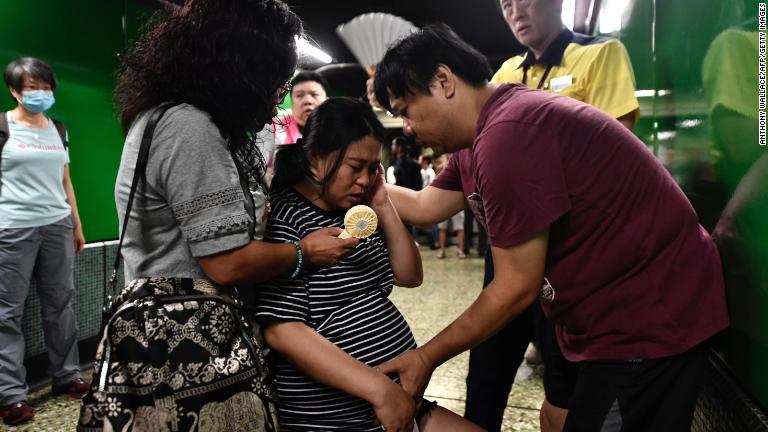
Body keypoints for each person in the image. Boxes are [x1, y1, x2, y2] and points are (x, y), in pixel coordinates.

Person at [372, 24, 728, 432]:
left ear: (443, 81)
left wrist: (426, 356)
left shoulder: (510, 136)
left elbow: (514, 287)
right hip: (602, 318)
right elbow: (425, 204)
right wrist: (365, 186)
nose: (408, 128)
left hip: (649, 317)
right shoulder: (478, 138)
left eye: (404, 110)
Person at [77, 1, 357, 430]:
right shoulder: (188, 127)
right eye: (271, 85)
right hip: (179, 345)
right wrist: (302, 253)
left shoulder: (174, 118)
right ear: (236, 72)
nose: (275, 102)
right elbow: (224, 262)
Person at [255, 97, 482, 432]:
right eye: (354, 167)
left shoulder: (357, 214)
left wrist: (383, 203)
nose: (364, 180)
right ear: (316, 157)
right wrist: (380, 392)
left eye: (371, 168)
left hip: (397, 401)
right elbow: (283, 331)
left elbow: (409, 275)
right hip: (336, 417)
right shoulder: (286, 217)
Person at [467, 0, 642, 429]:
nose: (514, 11)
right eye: (505, 4)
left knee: (564, 388)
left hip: (570, 262)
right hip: (510, 248)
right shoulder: (505, 73)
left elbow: (611, 155)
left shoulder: (599, 55)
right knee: (484, 378)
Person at [0, 57, 88, 426]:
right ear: (14, 90)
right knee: (7, 314)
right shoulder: (2, 127)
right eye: (32, 87)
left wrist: (76, 225)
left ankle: (67, 375)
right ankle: (11, 395)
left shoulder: (58, 128)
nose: (40, 93)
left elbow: (65, 181)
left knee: (60, 305)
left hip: (56, 225)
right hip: (12, 228)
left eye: (46, 86)